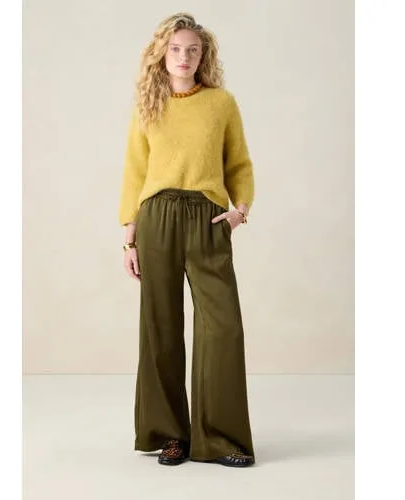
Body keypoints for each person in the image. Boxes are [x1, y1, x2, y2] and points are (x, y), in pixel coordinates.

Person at [118, 12, 256, 467]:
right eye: (175, 49)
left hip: (206, 216)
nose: (183, 57)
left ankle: (221, 438)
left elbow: (238, 163)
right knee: (160, 326)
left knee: (222, 327)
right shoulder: (149, 104)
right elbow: (135, 170)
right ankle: (170, 435)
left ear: (203, 55)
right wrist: (130, 238)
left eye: (192, 50)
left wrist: (239, 211)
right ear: (162, 53)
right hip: (156, 217)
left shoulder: (221, 103)